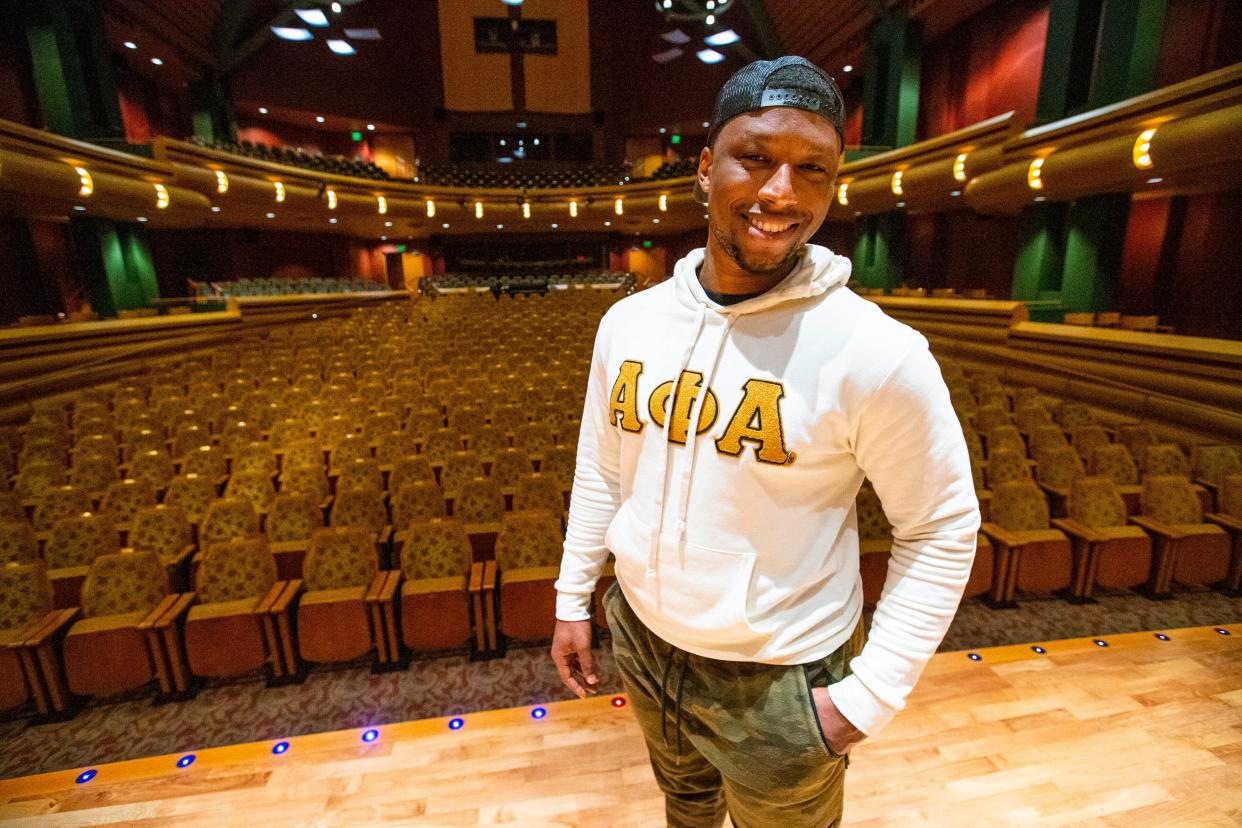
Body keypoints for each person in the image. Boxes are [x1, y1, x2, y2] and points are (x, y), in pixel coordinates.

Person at [550, 56, 980, 827]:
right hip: (644, 642)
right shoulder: (630, 324)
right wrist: (572, 598)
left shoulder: (878, 353)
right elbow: (603, 469)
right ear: (707, 168)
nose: (781, 192)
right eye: (755, 157)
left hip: (780, 679)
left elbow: (941, 527)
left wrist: (868, 696)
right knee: (685, 806)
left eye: (811, 169)